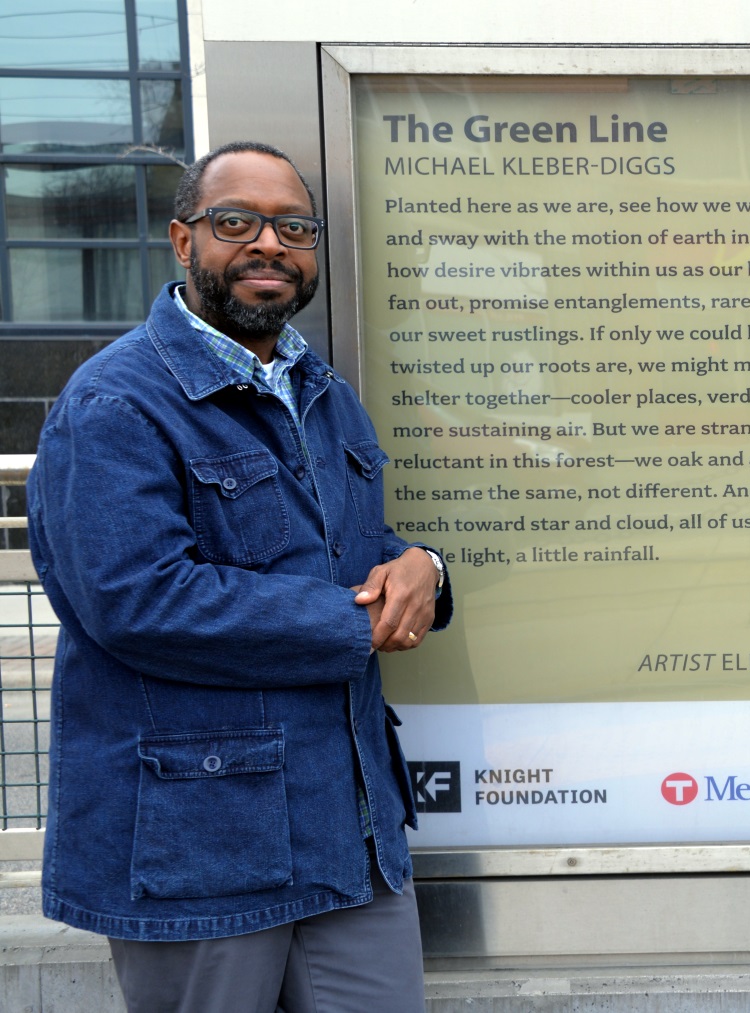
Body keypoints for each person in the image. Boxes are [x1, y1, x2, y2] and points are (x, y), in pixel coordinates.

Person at [26, 141, 451, 1012]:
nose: (270, 244)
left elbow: (343, 545)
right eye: (237, 222)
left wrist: (423, 567)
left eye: (294, 227)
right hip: (203, 849)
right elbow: (138, 599)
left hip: (352, 831)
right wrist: (353, 620)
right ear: (184, 241)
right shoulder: (115, 402)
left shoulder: (323, 391)